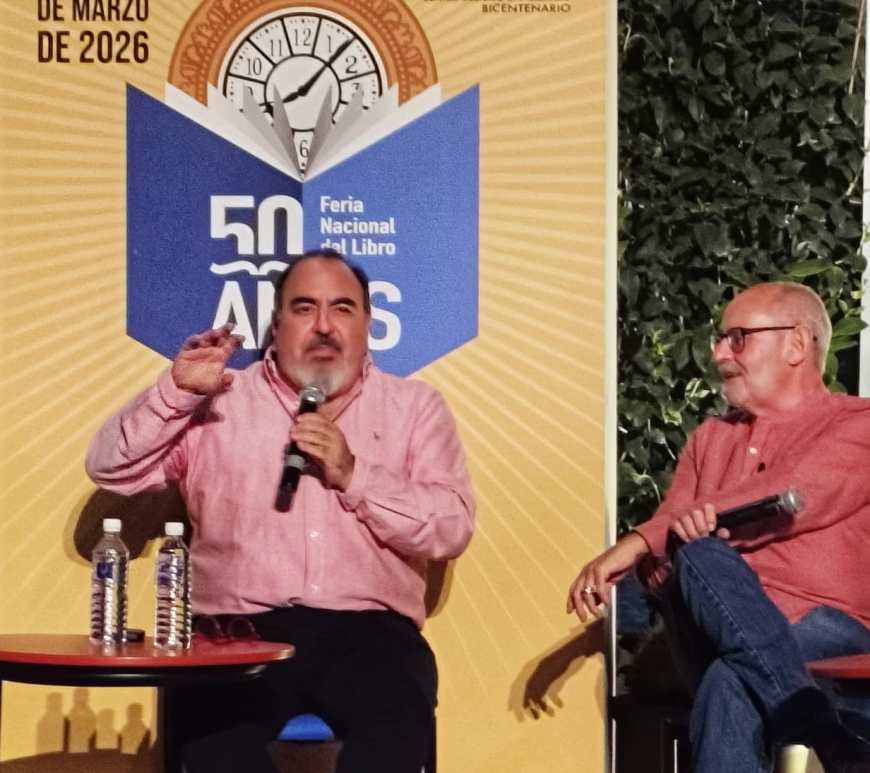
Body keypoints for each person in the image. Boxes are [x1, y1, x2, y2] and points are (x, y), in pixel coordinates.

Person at [86, 249, 475, 773]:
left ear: (368, 324)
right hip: (232, 634)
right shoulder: (219, 400)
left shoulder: (416, 408)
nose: (324, 326)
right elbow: (111, 469)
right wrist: (175, 394)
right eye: (304, 308)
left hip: (371, 637)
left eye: (342, 308)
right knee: (217, 748)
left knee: (394, 725)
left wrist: (353, 474)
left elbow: (451, 528)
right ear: (277, 324)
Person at [568, 281, 870, 772]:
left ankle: (816, 725)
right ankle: (822, 732)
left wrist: (643, 539)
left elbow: (792, 498)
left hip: (825, 629)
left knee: (728, 683)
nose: (718, 354)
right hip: (704, 633)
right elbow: (663, 568)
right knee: (699, 555)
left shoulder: (858, 424)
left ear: (796, 343)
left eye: (738, 338)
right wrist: (663, 550)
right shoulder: (709, 439)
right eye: (720, 338)